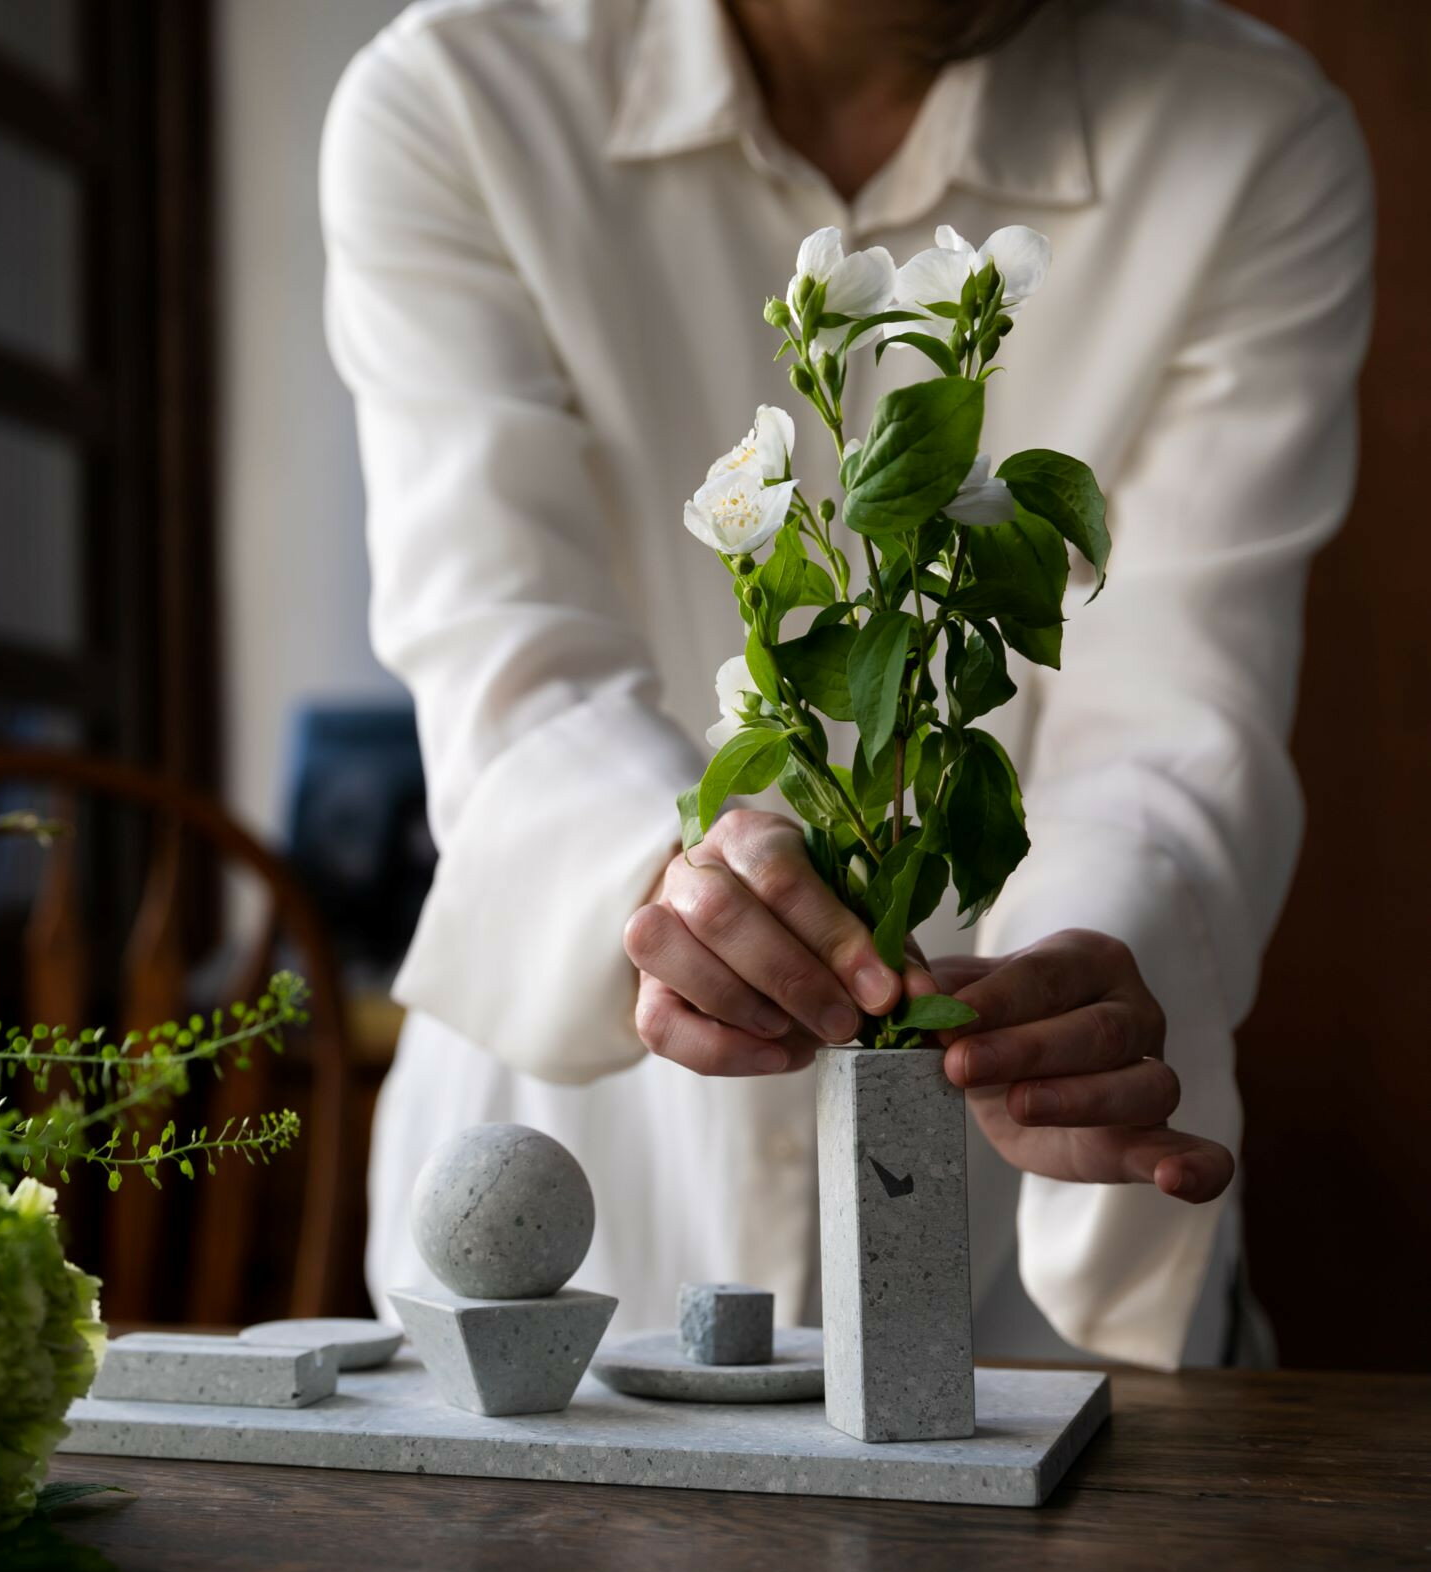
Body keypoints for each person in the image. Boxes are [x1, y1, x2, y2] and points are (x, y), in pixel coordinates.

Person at [325, 0, 1370, 1366]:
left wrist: (1086, 960)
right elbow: (508, 656)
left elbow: (1172, 715)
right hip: (587, 1208)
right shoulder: (464, 98)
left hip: (1008, 1245)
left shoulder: (1242, 134)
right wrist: (672, 871)